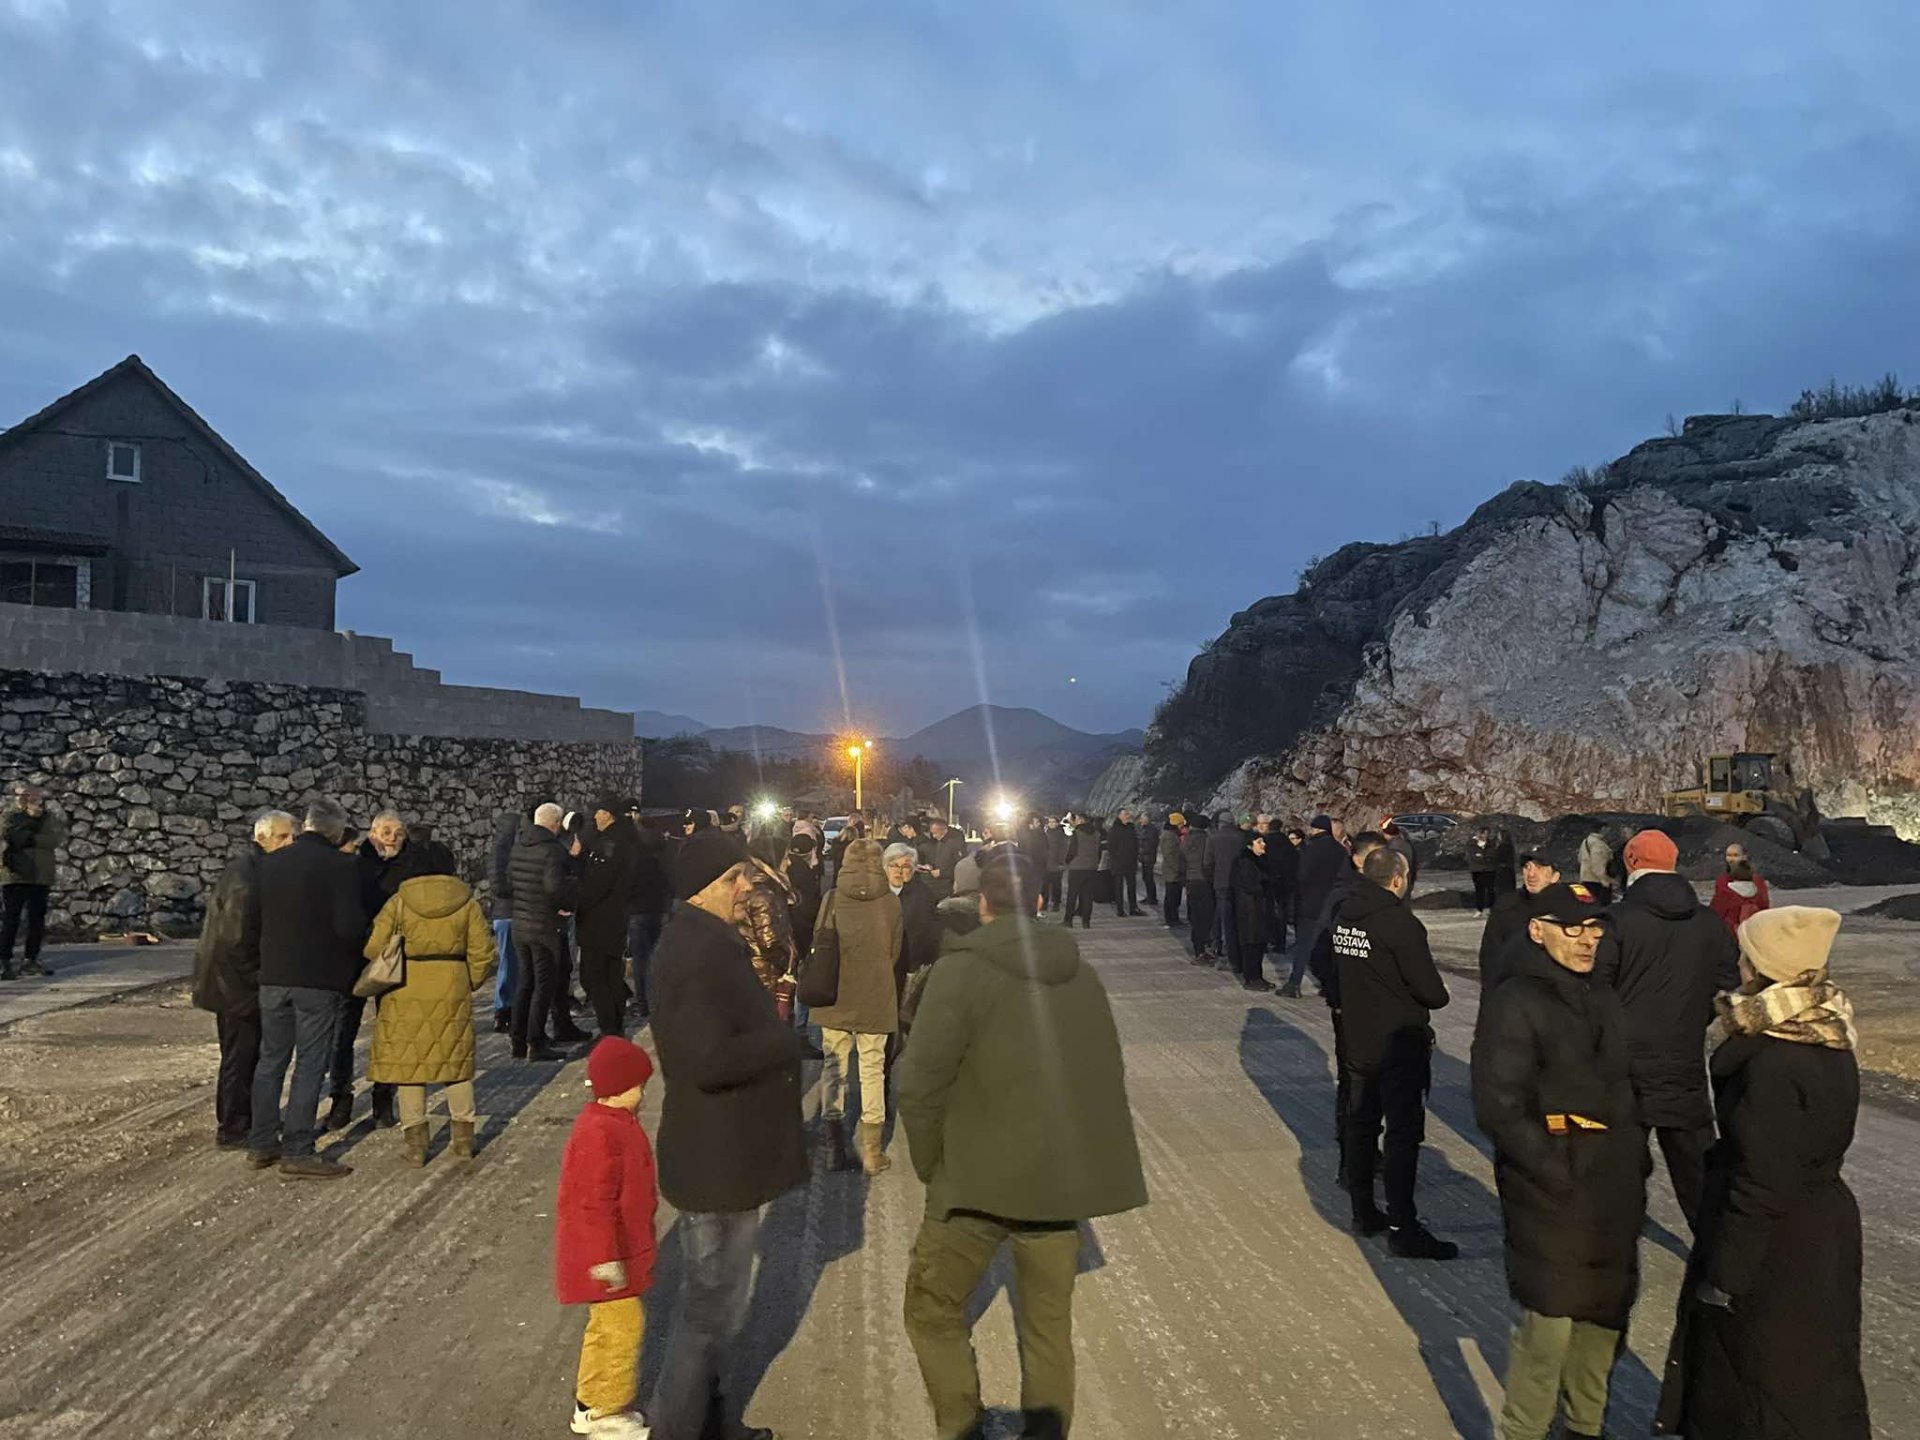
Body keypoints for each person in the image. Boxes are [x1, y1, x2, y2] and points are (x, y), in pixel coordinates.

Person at [898, 853, 1148, 1440]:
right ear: (1041, 901)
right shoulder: (1081, 976)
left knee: (932, 1310)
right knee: (1046, 1328)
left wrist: (931, 1161)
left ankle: (962, 1424)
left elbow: (919, 1082)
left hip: (971, 1188)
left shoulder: (959, 973)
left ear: (982, 905)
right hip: (1054, 1186)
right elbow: (1102, 1074)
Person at [1655, 906, 1871, 1440]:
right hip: (1824, 1230)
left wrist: (1726, 1275)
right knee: (1817, 1375)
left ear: (1764, 964)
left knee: (1757, 1381)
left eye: (1747, 951)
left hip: (1778, 1244)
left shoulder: (1770, 1057)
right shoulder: (1828, 1031)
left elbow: (1761, 1180)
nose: (1739, 960)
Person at [1472, 882, 1649, 1440]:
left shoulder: (1601, 993)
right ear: (1537, 929)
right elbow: (1500, 1103)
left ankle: (1585, 1427)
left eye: (1595, 928)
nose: (1586, 940)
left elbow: (1624, 1085)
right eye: (1571, 928)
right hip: (1552, 1190)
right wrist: (1552, 1166)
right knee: (1547, 1329)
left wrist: (1634, 1156)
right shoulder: (1515, 999)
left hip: (1613, 1183)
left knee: (1603, 1323)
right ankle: (1523, 1430)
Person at [648, 855, 804, 1440]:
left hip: (725, 1149)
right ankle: (676, 1430)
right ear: (708, 885)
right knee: (707, 1313)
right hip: (715, 1154)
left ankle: (711, 1421)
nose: (747, 891)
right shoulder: (697, 955)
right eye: (738, 880)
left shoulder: (708, 943)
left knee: (717, 1311)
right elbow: (707, 1062)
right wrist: (779, 1043)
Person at [1594, 828, 1739, 1227]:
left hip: (1623, 1069)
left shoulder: (1614, 921)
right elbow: (1729, 982)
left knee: (1617, 1178)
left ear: (1631, 863)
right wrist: (1694, 1017)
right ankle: (1718, 1267)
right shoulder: (1710, 923)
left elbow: (1593, 989)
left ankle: (1611, 1262)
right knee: (1699, 1176)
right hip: (1684, 1061)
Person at [1332, 846, 1457, 1258]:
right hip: (1398, 1042)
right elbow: (1431, 992)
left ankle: (1363, 1209)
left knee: (1363, 1125)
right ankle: (1403, 1225)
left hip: (1358, 1037)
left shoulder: (1344, 916)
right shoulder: (1399, 924)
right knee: (1403, 1135)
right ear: (1398, 880)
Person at [248, 796, 367, 1179]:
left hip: (273, 975)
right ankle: (298, 1148)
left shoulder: (268, 864)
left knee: (270, 1060)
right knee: (310, 1064)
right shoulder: (343, 867)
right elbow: (350, 927)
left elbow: (253, 919)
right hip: (319, 979)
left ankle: (262, 1141)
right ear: (335, 831)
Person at [363, 840, 495, 1166]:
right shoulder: (467, 902)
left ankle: (416, 1145)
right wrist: (468, 981)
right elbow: (482, 952)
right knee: (456, 1065)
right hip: (452, 984)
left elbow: (373, 947)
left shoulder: (398, 901)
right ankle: (463, 1138)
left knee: (410, 1068)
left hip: (405, 987)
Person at [554, 1037, 659, 1440]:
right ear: (620, 1087)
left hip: (613, 1250)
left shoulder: (609, 1123)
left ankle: (589, 1403)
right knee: (623, 1330)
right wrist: (604, 1257)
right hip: (608, 1256)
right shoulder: (602, 1131)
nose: (643, 1094)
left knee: (604, 1328)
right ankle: (608, 1411)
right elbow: (591, 1203)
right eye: (639, 1086)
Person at [192, 809, 296, 1149]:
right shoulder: (246, 877)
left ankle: (247, 1119)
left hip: (235, 981)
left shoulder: (253, 870)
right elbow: (236, 940)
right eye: (283, 836)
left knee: (247, 1055)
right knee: (240, 1056)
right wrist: (260, 978)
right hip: (235, 985)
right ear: (263, 837)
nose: (290, 842)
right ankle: (233, 1127)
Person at [808, 839, 905, 1173]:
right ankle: (871, 1151)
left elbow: (818, 940)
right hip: (875, 996)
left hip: (834, 994)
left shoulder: (831, 898)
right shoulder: (891, 903)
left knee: (834, 1068)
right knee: (872, 1069)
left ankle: (833, 1148)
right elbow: (894, 952)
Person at [1307, 831, 1390, 1189]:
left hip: (1383, 1007)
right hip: (1354, 1008)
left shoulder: (1381, 895)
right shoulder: (1346, 899)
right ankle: (1352, 1159)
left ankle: (1369, 1151)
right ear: (1357, 860)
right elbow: (1324, 952)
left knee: (1378, 1083)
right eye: (1375, 857)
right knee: (1355, 1085)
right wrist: (1339, 998)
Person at [326, 808, 411, 1133]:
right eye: (386, 831)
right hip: (353, 957)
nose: (392, 838)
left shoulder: (409, 867)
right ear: (372, 833)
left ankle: (383, 1098)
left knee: (389, 1031)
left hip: (391, 957)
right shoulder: (352, 864)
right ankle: (340, 1097)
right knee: (343, 1030)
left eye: (398, 833)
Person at [510, 802, 580, 1064]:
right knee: (544, 984)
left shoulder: (519, 845)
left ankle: (518, 1039)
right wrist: (567, 904)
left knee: (525, 983)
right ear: (555, 823)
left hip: (520, 924)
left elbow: (509, 880)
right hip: (544, 927)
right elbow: (554, 888)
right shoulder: (553, 851)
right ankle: (536, 1041)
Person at [573, 798, 638, 1043]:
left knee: (594, 977)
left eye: (599, 812)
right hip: (615, 919)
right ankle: (615, 1027)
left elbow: (596, 885)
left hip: (599, 921)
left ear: (609, 815)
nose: (595, 817)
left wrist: (575, 900)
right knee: (611, 976)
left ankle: (610, 1029)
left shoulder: (610, 845)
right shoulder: (625, 840)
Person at [1, 781, 65, 980]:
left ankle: (31, 959)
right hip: (16, 876)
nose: (37, 804)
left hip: (40, 876)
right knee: (11, 920)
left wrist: (30, 838)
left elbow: (54, 839)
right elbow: (7, 833)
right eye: (31, 798)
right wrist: (25, 827)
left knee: (36, 920)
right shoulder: (12, 817)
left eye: (39, 800)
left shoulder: (49, 819)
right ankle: (3, 960)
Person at [1284, 814, 1349, 996]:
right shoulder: (1340, 850)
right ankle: (1330, 984)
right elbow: (1345, 878)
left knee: (1304, 946)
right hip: (1333, 905)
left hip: (1310, 905)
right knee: (1329, 946)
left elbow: (1301, 877)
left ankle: (1293, 984)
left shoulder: (1311, 849)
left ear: (1316, 829)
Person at [1479, 852, 1562, 989]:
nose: (1531, 874)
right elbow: (1490, 958)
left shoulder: (1571, 908)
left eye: (1539, 868)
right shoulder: (1507, 907)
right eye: (1527, 867)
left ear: (1555, 876)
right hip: (1516, 997)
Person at [625, 812, 673, 1024]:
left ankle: (642, 1002)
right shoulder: (665, 849)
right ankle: (659, 1000)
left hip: (637, 911)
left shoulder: (633, 851)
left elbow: (628, 882)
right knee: (658, 957)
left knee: (641, 960)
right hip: (660, 909)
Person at [489, 809, 521, 1033]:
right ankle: (502, 1009)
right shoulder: (502, 853)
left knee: (512, 963)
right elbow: (498, 887)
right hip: (507, 913)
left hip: (509, 913)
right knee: (508, 963)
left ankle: (508, 1007)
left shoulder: (501, 851)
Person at [1230, 831, 1275, 992]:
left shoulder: (1260, 860)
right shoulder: (1245, 862)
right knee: (1251, 945)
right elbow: (1250, 886)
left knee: (1259, 945)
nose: (1263, 844)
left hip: (1259, 909)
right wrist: (1267, 883)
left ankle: (1258, 976)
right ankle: (1251, 978)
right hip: (1249, 911)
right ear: (1250, 844)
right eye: (1259, 841)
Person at [1208, 812, 1247, 962]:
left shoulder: (1213, 838)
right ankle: (1236, 950)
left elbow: (1208, 862)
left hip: (1221, 882)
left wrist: (1213, 877)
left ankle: (1218, 944)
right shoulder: (1241, 838)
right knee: (1236, 918)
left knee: (1222, 915)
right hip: (1238, 883)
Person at [1710, 845, 1771, 936]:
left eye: (1736, 855)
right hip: (1751, 929)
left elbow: (1716, 910)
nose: (1731, 859)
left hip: (1732, 932)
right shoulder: (1722, 880)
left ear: (1744, 857)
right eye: (1729, 855)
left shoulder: (1757, 881)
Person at [1182, 813, 1216, 962]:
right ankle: (1206, 945)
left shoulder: (1186, 840)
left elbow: (1181, 859)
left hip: (1191, 880)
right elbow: (1209, 861)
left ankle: (1198, 948)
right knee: (1206, 915)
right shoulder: (1207, 840)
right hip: (1204, 881)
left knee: (1194, 915)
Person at [1061, 814, 1103, 930]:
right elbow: (1098, 851)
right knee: (1088, 896)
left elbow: (1072, 851)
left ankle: (1068, 920)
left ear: (1081, 820)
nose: (1075, 821)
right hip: (1091, 868)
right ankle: (1086, 922)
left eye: (1076, 819)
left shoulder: (1077, 833)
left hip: (1077, 868)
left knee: (1072, 895)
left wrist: (1067, 861)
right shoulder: (1097, 834)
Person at [919, 816, 966, 904]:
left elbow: (960, 865)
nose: (933, 836)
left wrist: (942, 872)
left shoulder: (955, 842)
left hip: (947, 883)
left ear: (942, 830)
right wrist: (930, 865)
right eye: (932, 833)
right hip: (938, 878)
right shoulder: (940, 841)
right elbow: (939, 858)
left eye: (935, 833)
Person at [1107, 810, 1143, 916]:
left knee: (1132, 886)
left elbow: (1136, 844)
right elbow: (1111, 847)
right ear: (1119, 816)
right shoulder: (1114, 830)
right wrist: (1117, 858)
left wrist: (1135, 856)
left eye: (1128, 814)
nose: (1128, 816)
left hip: (1131, 862)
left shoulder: (1131, 828)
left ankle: (1133, 908)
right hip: (1119, 863)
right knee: (1118, 887)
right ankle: (1120, 909)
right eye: (1126, 814)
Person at [1159, 812, 1187, 929]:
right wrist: (1179, 869)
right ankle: (1170, 919)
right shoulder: (1170, 837)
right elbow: (1170, 856)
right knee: (1172, 897)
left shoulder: (1171, 835)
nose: (1182, 826)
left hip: (1173, 871)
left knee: (1175, 896)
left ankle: (1173, 918)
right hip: (1173, 872)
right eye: (1181, 824)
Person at [1467, 825, 1500, 913]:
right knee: (1479, 890)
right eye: (1484, 834)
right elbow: (1473, 857)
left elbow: (1493, 855)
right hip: (1477, 870)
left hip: (1489, 870)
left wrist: (1482, 856)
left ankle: (1491, 908)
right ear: (1480, 834)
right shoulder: (1471, 844)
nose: (1486, 836)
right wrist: (1484, 857)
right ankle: (1479, 909)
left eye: (1487, 834)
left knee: (1491, 890)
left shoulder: (1491, 844)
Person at [1577, 827, 1614, 902]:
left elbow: (1580, 859)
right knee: (1601, 908)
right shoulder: (1599, 845)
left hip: (1585, 879)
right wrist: (1607, 881)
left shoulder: (1586, 841)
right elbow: (1597, 866)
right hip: (1597, 883)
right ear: (1603, 829)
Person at [1042, 816, 1069, 914]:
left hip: (1057, 864)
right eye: (1049, 822)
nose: (1051, 824)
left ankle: (1056, 903)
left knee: (1056, 885)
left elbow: (1064, 849)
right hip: (1046, 863)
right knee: (1045, 885)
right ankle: (1044, 902)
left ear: (1057, 823)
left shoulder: (1061, 835)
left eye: (1053, 822)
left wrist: (1062, 862)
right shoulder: (1045, 833)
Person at [1137, 809, 1159, 908]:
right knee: (1146, 878)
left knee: (1148, 878)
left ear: (1147, 819)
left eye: (1142, 818)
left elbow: (1150, 844)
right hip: (1145, 857)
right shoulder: (1145, 828)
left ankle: (1152, 898)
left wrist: (1140, 851)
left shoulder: (1151, 830)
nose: (1140, 820)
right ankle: (1150, 896)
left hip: (1148, 857)